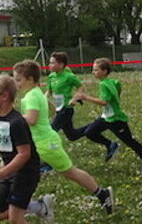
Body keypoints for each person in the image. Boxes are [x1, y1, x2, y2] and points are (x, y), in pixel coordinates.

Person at [13, 60, 114, 214]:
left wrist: (13, 119)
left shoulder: (32, 96)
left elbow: (31, 119)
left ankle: (102, 193)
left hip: (45, 144)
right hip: (36, 143)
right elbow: (50, 110)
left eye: (19, 80)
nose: (16, 83)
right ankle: (26, 206)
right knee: (18, 172)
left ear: (30, 79)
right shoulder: (35, 93)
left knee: (69, 172)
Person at [0, 74, 58, 224]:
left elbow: (24, 154)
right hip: (10, 172)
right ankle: (39, 207)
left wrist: (3, 173)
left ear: (4, 96)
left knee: (15, 220)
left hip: (25, 173)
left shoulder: (16, 122)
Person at [71, 58, 142, 173]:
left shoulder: (104, 85)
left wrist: (85, 97)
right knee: (89, 132)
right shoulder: (110, 82)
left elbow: (104, 102)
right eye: (93, 70)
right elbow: (118, 84)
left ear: (104, 71)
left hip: (116, 119)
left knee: (129, 141)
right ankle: (111, 145)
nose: (93, 72)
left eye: (96, 70)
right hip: (107, 117)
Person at [46, 51, 82, 142]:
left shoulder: (69, 76)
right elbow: (49, 92)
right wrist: (41, 99)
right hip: (58, 108)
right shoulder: (51, 77)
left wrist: (75, 98)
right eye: (50, 63)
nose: (49, 65)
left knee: (52, 130)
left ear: (61, 65)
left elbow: (80, 87)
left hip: (66, 109)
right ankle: (92, 128)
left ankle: (51, 148)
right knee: (72, 136)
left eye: (52, 63)